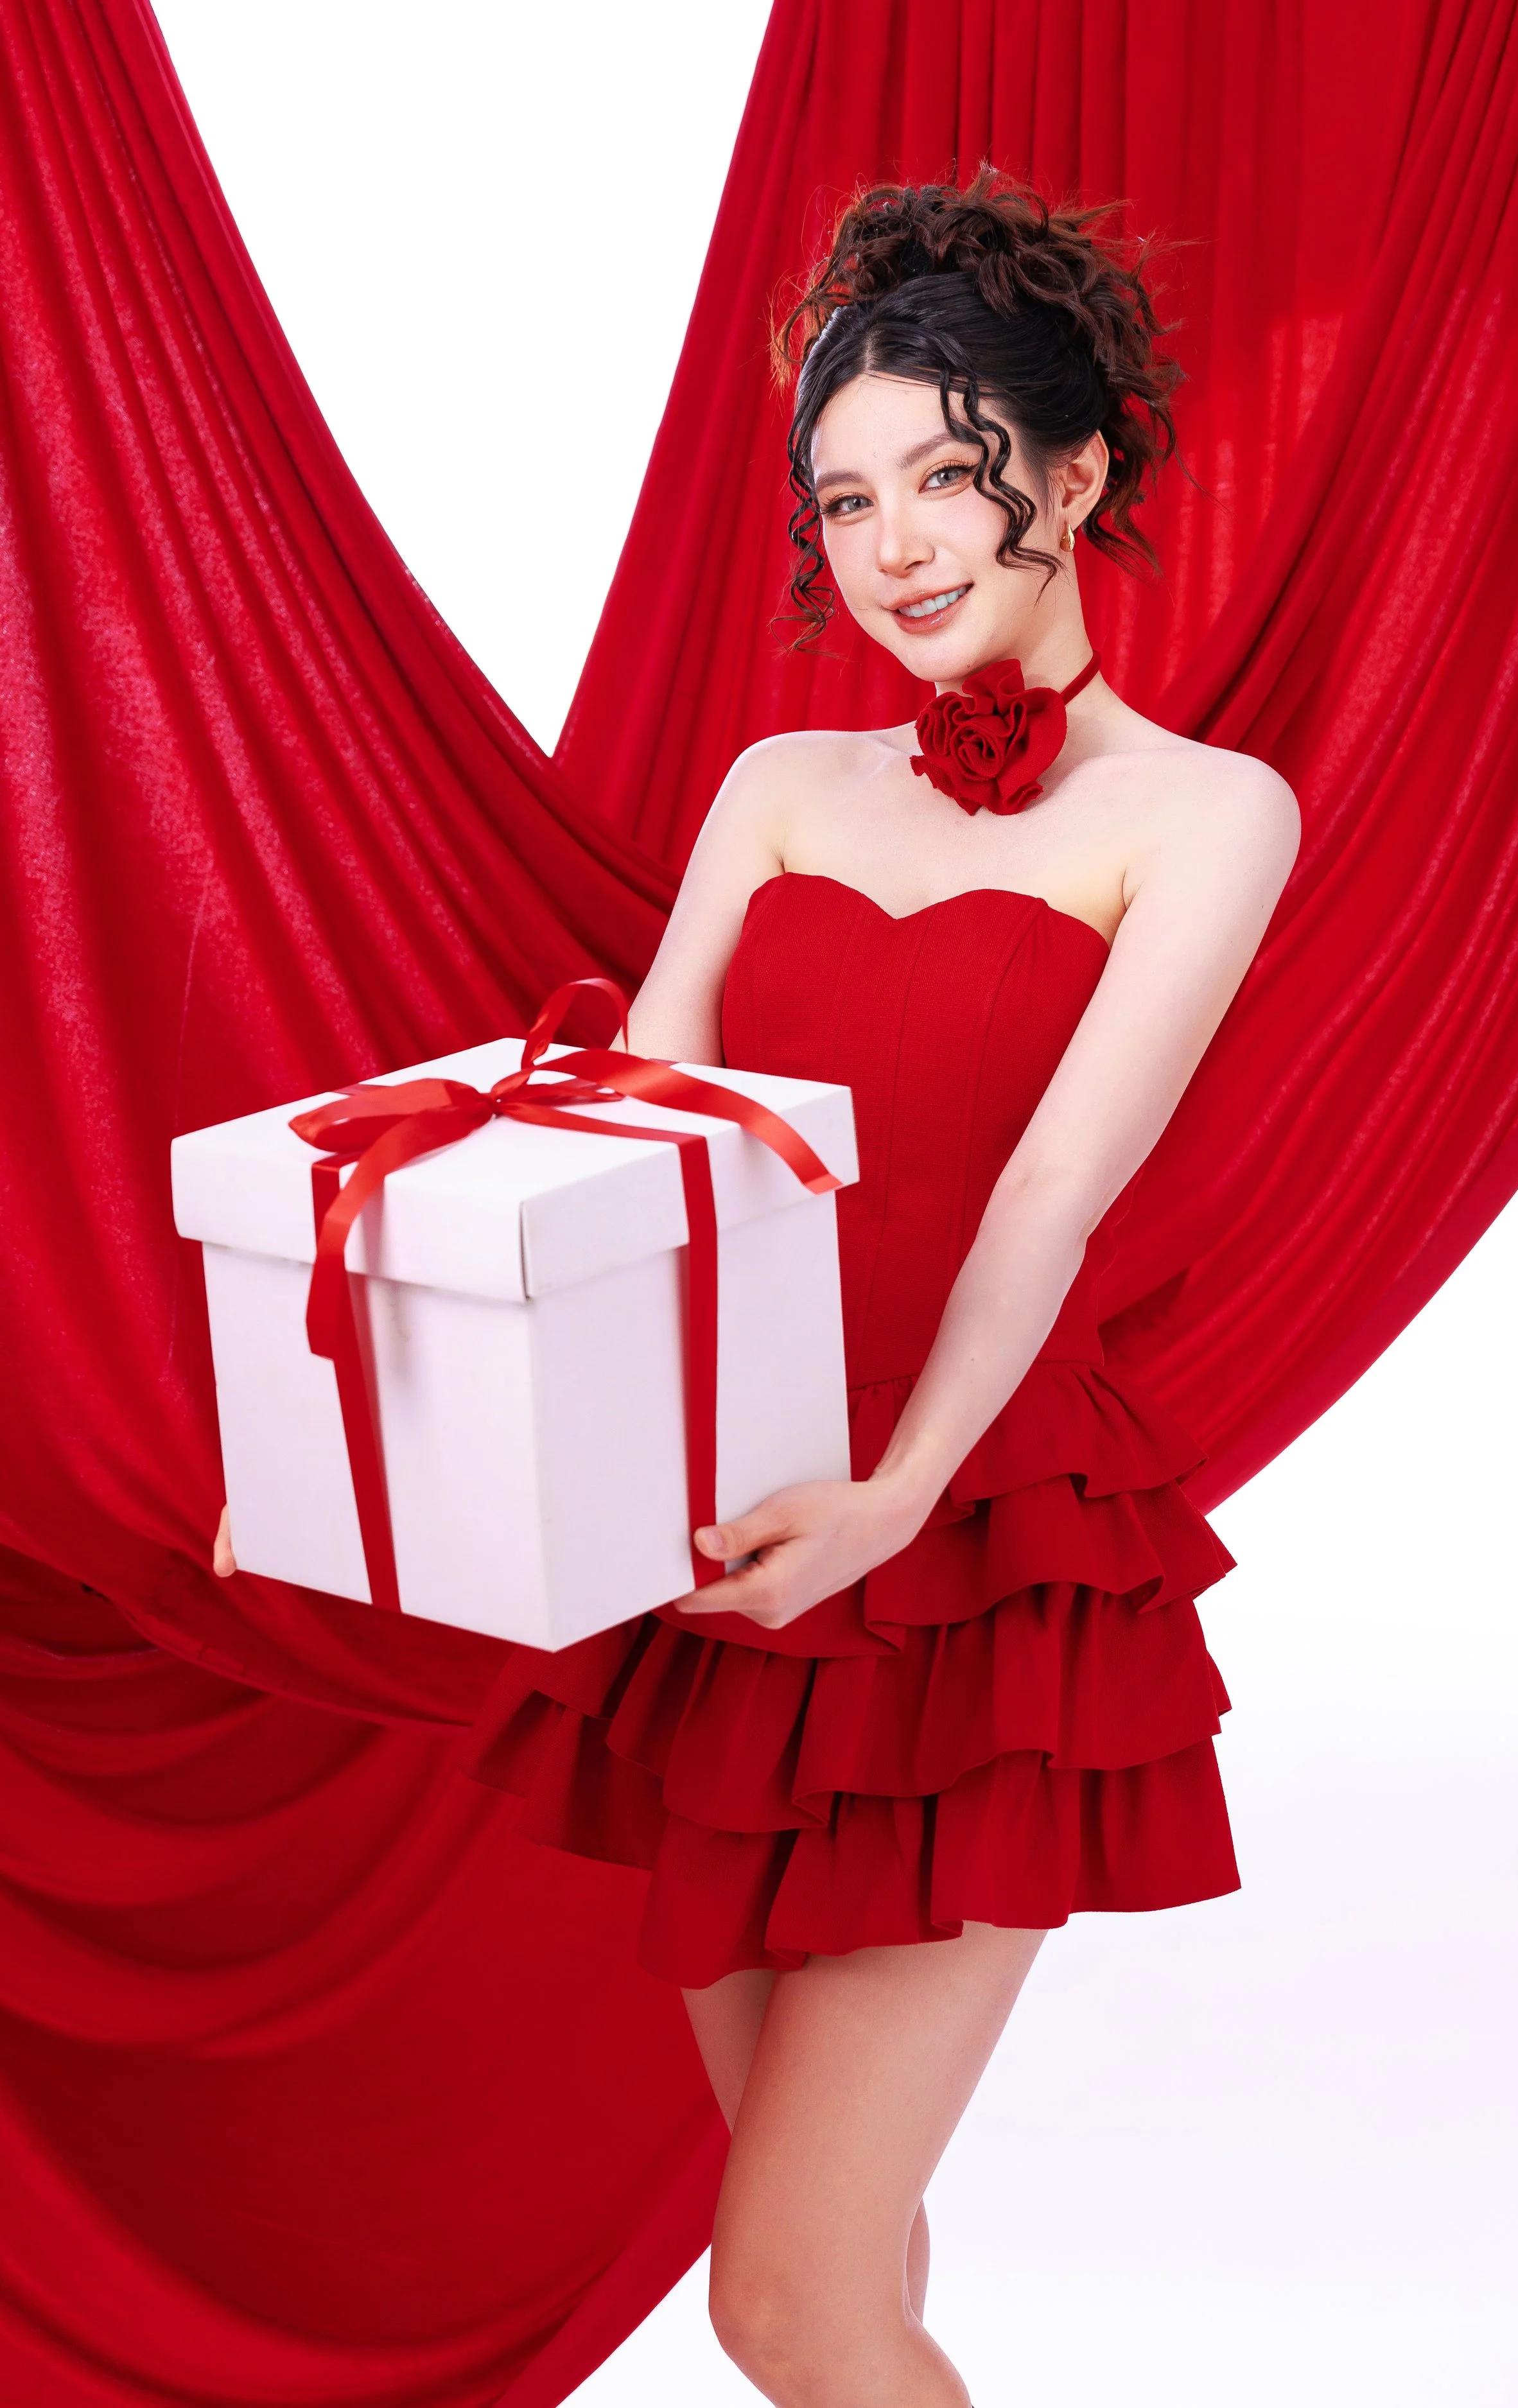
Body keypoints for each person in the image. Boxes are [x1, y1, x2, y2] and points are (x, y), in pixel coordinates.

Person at [224, 171, 1300, 2408]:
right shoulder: (778, 779)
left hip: (977, 1562)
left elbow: (1046, 1204)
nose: (890, 542)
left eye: (943, 475)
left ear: (1074, 470)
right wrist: (342, 1453)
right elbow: (632, 1143)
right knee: (852, 2262)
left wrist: (901, 1492)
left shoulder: (1205, 812)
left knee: (778, 2301)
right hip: (725, 1549)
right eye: (842, 498)